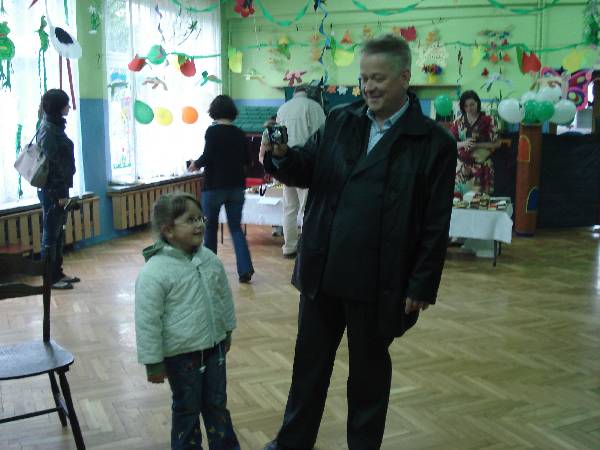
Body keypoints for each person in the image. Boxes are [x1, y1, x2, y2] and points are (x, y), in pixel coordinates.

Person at [261, 34, 457, 450]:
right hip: (323, 270)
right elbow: (305, 168)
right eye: (364, 78)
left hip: (380, 280)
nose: (368, 87)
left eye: (378, 79)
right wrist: (281, 155)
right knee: (308, 370)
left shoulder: (433, 143)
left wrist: (422, 284)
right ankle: (291, 444)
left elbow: (435, 222)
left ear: (404, 77)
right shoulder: (340, 121)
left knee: (368, 378)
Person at [135, 192, 240, 450]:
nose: (199, 225)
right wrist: (153, 362)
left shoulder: (210, 259)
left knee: (217, 405)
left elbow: (224, 297)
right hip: (181, 358)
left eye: (200, 218)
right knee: (187, 410)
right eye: (190, 220)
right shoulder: (154, 272)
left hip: (214, 350)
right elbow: (147, 321)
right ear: (168, 230)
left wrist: (227, 330)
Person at [188, 95, 255, 283]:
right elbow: (247, 161)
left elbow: (207, 156)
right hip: (236, 187)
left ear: (214, 112)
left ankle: (210, 271)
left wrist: (195, 164)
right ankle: (245, 269)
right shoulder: (240, 133)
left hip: (214, 187)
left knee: (209, 228)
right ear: (232, 112)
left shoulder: (212, 132)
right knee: (235, 228)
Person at [274, 85, 326, 258]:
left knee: (289, 208)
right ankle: (306, 248)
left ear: (294, 93)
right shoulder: (314, 107)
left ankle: (289, 247)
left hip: (286, 164)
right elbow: (323, 136)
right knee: (307, 209)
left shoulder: (283, 109)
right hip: (307, 165)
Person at [37, 88, 80, 290]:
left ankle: (58, 272)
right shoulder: (48, 130)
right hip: (53, 191)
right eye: (66, 104)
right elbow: (52, 164)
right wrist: (60, 194)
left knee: (59, 233)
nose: (68, 108)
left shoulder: (54, 125)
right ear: (58, 107)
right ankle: (50, 278)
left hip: (59, 189)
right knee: (51, 235)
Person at [450, 90, 500, 194]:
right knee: (458, 198)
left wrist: (477, 145)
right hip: (461, 169)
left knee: (480, 200)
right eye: (466, 106)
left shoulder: (489, 120)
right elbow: (450, 144)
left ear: (478, 103)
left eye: (472, 104)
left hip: (482, 168)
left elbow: (497, 143)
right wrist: (464, 144)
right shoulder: (458, 121)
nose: (469, 108)